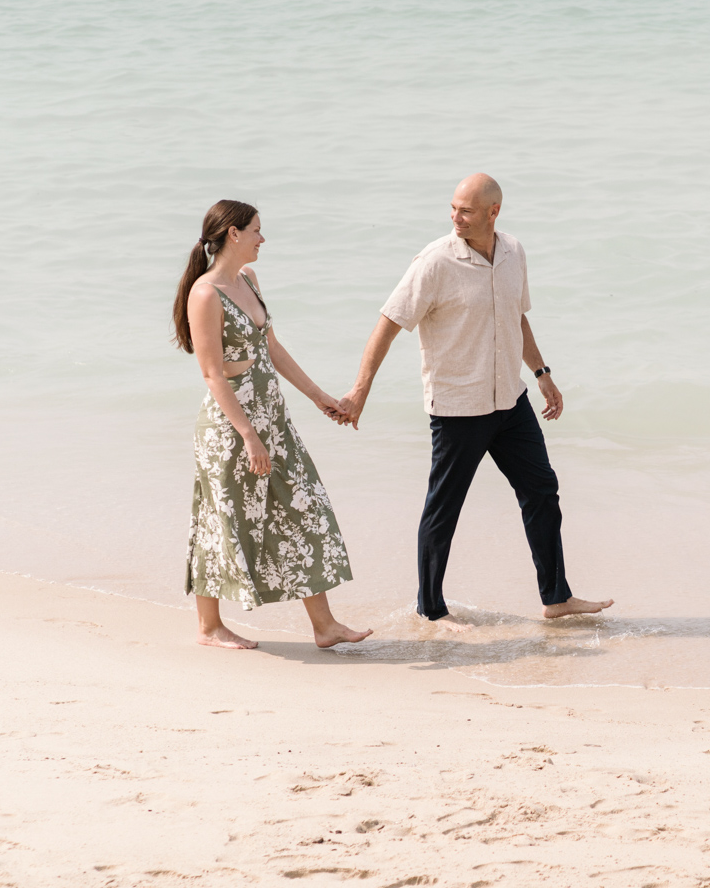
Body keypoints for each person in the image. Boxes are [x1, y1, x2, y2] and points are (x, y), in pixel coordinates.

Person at [334, 174, 612, 631]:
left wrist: (542, 375)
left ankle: (556, 597)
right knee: (444, 507)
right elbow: (388, 321)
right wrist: (360, 391)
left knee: (542, 491)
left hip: (510, 401)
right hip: (457, 406)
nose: (454, 217)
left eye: (464, 210)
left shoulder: (513, 252)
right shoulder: (435, 262)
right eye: (453, 208)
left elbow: (516, 317)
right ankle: (431, 607)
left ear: (493, 212)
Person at [173, 199, 371, 651]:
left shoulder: (248, 280)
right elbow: (212, 373)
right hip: (231, 429)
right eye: (258, 230)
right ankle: (208, 628)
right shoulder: (205, 293)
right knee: (223, 520)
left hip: (272, 420)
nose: (264, 238)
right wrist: (247, 435)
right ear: (234, 234)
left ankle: (325, 626)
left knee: (303, 507)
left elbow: (272, 349)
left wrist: (320, 396)